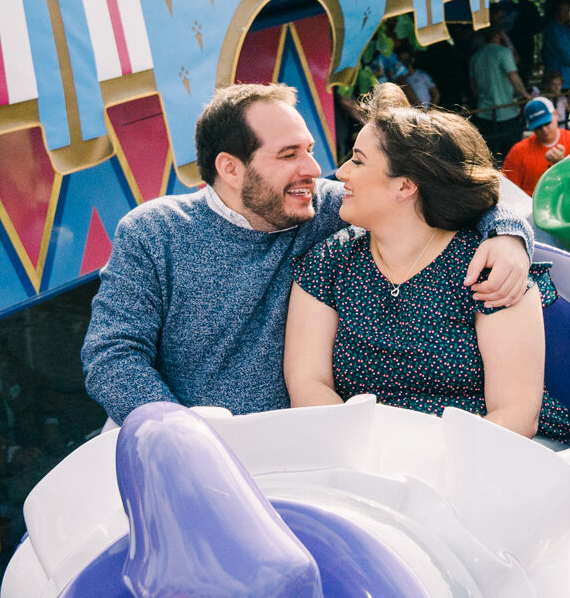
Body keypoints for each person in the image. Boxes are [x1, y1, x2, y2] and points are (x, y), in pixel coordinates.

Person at [81, 83, 533, 422]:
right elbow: (112, 355)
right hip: (189, 444)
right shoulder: (152, 232)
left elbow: (449, 187)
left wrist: (509, 235)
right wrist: (178, 433)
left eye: (310, 150)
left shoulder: (327, 206)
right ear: (230, 168)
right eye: (288, 155)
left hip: (296, 446)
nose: (316, 170)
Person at [285, 105, 570, 441]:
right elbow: (308, 384)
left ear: (405, 186)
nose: (341, 173)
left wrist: (424, 466)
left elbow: (516, 415)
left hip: (487, 451)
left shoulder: (488, 269)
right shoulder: (329, 262)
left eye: (359, 160)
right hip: (363, 452)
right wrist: (364, 455)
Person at [469, 26, 530, 155]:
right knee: (512, 153)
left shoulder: (475, 57)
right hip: (506, 112)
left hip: (485, 112)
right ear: (497, 36)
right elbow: (513, 76)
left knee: (492, 153)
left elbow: (473, 86)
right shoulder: (504, 53)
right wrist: (525, 95)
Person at [501, 98, 570, 193]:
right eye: (538, 127)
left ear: (556, 115)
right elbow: (508, 190)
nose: (544, 130)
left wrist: (563, 164)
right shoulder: (518, 152)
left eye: (547, 123)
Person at [541, 0, 570, 94]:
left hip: (567, 79)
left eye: (568, 11)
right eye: (564, 11)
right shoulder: (552, 30)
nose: (566, 14)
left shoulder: (564, 29)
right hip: (556, 81)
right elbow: (568, 59)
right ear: (556, 12)